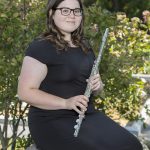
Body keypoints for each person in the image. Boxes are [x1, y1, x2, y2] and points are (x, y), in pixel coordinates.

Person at [17, 0, 143, 149]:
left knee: (131, 145)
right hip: (51, 120)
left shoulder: (85, 46)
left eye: (76, 11)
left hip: (86, 115)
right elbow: (25, 92)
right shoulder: (40, 47)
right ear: (52, 13)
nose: (72, 15)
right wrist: (66, 103)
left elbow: (97, 89)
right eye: (65, 10)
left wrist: (97, 85)